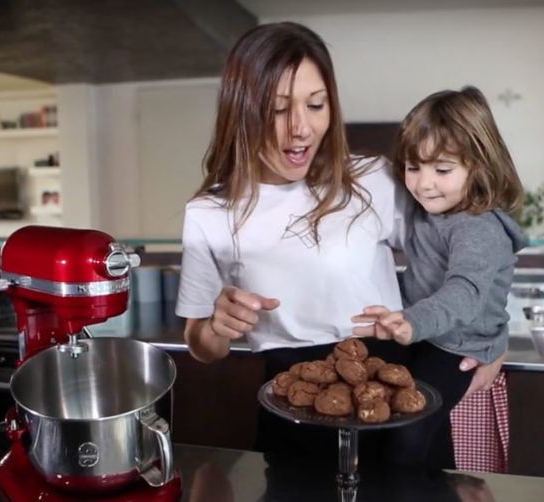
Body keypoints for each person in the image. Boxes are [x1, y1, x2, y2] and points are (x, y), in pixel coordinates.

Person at [176, 21, 502, 466]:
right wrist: (216, 327)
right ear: (242, 110)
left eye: (316, 105)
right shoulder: (208, 214)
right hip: (292, 407)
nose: (301, 129)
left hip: (393, 403)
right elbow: (200, 344)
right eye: (276, 109)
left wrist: (493, 340)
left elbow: (470, 251)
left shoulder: (374, 179)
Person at [352, 86, 528, 468]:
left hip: (459, 346)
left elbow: (464, 292)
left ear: (479, 166)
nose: (424, 183)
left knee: (410, 427)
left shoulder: (477, 227)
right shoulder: (433, 207)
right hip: (428, 333)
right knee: (400, 419)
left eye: (442, 169)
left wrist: (410, 322)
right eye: (414, 167)